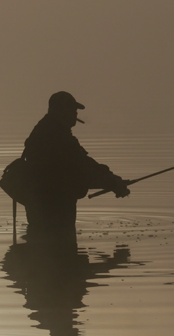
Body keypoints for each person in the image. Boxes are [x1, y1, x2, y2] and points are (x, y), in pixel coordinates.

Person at [18, 91, 130, 241]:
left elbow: (82, 162)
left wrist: (110, 178)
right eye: (72, 110)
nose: (75, 114)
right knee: (60, 252)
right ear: (60, 111)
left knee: (44, 246)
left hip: (42, 207)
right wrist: (112, 182)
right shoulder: (56, 137)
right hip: (53, 209)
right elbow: (79, 171)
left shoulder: (47, 132)